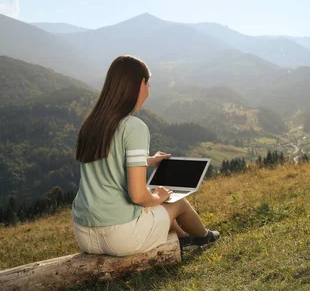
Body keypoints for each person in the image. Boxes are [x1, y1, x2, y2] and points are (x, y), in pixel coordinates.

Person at [71, 55, 219, 256]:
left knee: (154, 206)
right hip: (119, 237)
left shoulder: (92, 124)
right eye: (148, 83)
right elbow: (139, 196)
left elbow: (109, 159)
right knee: (176, 203)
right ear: (140, 83)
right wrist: (159, 196)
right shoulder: (134, 127)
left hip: (85, 234)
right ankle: (205, 237)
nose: (148, 90)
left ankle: (184, 238)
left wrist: (149, 161)